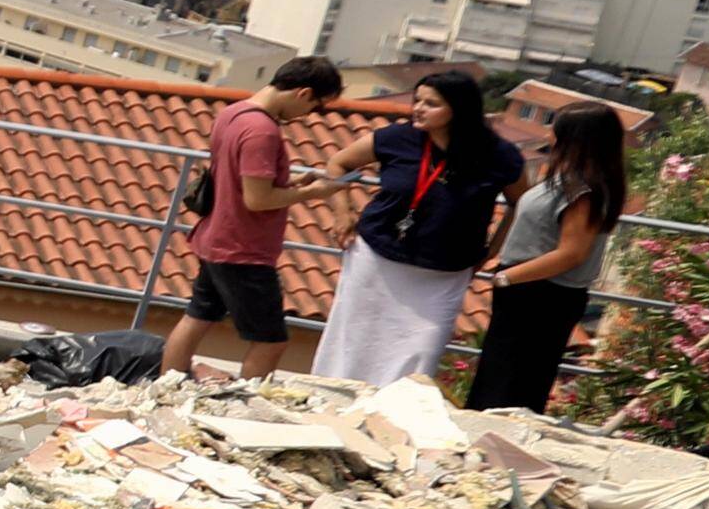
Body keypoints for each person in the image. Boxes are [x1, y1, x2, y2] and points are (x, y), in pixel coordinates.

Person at [308, 68, 525, 387]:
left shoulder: (499, 155)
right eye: (417, 100)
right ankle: (332, 396)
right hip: (376, 257)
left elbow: (521, 202)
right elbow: (337, 164)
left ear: (459, 109)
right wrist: (343, 212)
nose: (418, 109)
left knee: (423, 348)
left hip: (444, 271)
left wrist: (494, 249)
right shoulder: (396, 137)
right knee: (353, 338)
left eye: (431, 103)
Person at [161, 54, 347, 380]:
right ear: (303, 93)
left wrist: (289, 186)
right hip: (243, 249)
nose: (311, 115)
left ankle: (167, 386)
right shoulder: (263, 131)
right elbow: (257, 200)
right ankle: (245, 406)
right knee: (270, 340)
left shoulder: (233, 113)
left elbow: (239, 181)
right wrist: (313, 193)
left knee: (197, 318)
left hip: (216, 237)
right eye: (316, 106)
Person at [464, 103, 631, 413]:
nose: (549, 134)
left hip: (542, 295)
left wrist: (508, 276)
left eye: (558, 128)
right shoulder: (568, 180)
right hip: (529, 291)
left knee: (513, 385)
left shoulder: (584, 191)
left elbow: (571, 254)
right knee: (499, 377)